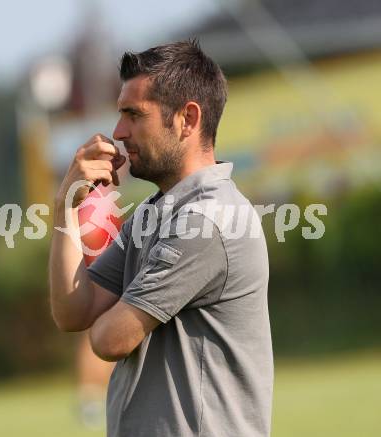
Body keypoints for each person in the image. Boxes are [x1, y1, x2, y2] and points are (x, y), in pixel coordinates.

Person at [49, 39, 273, 437]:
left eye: (134, 114)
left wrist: (108, 316)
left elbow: (108, 340)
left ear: (187, 118)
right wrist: (66, 206)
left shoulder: (208, 221)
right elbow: (73, 312)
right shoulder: (155, 214)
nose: (119, 132)